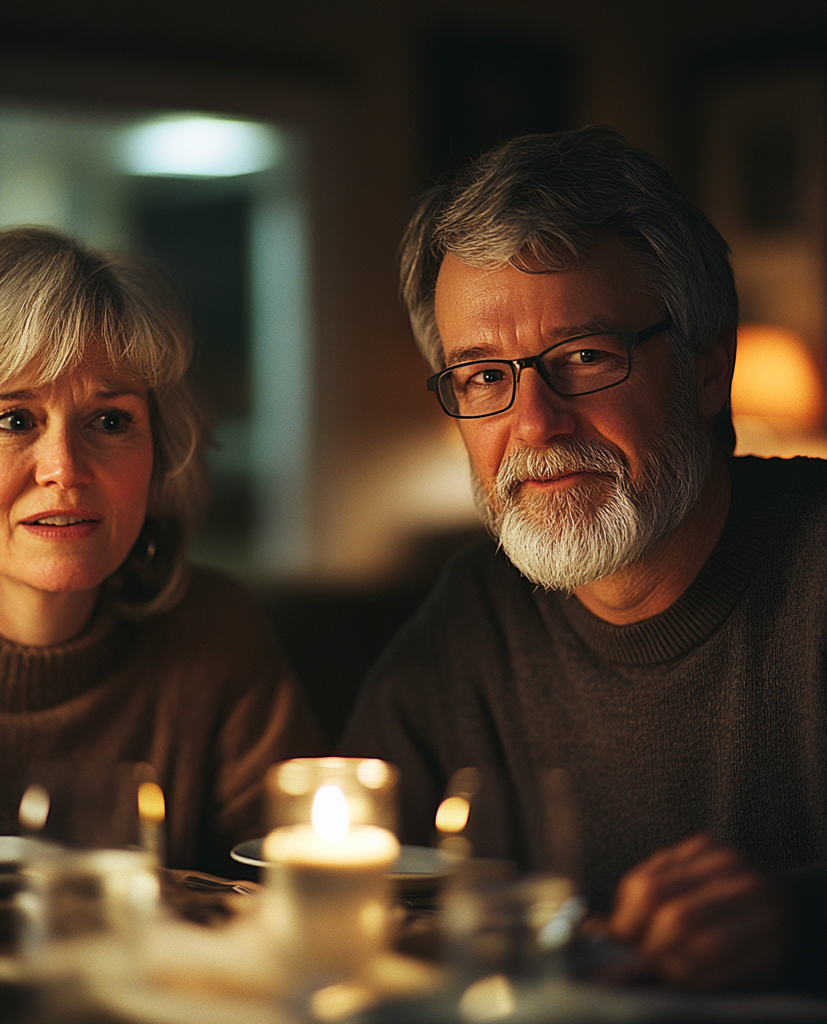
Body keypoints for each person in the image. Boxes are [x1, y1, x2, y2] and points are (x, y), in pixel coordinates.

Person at [342, 126, 826, 991]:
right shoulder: (471, 623)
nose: (535, 423)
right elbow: (349, 896)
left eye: (585, 357)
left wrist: (799, 922)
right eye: (485, 376)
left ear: (709, 368)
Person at [0, 226, 320, 877]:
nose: (65, 468)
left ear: (158, 455)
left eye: (110, 421)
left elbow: (295, 908)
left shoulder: (217, 635)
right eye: (14, 420)